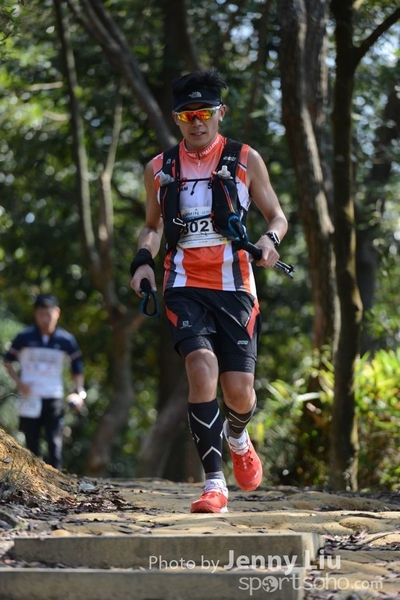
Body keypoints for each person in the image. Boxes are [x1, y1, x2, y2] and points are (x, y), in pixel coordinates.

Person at [130, 68, 288, 513]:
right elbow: (152, 227)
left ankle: (238, 436)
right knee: (201, 367)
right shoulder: (159, 168)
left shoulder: (244, 158)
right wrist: (142, 262)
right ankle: (214, 484)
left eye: (204, 113)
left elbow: (277, 216)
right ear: (177, 119)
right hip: (183, 283)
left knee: (240, 392)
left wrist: (269, 241)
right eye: (187, 115)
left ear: (221, 113)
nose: (196, 122)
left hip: (236, 286)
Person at [3, 293, 86, 470]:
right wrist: (19, 382)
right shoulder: (25, 337)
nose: (45, 319)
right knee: (31, 444)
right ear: (36, 314)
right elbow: (7, 360)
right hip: (29, 396)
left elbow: (77, 368)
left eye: (48, 314)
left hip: (53, 395)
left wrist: (79, 392)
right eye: (41, 314)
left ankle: (57, 483)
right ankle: (32, 483)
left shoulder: (66, 340)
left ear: (57, 313)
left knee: (54, 443)